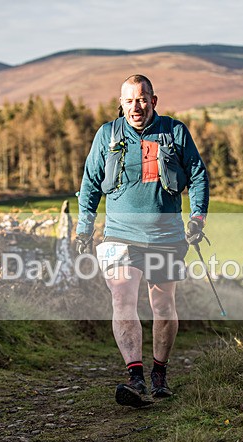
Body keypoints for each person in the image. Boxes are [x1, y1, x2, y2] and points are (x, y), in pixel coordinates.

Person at [75, 74, 210, 408]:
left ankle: (159, 374)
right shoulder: (107, 135)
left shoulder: (174, 131)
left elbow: (197, 175)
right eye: (129, 100)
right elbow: (90, 183)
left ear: (153, 100)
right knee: (122, 297)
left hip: (166, 235)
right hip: (120, 235)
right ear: (121, 103)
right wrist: (84, 228)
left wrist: (197, 218)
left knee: (162, 305)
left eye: (141, 99)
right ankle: (135, 377)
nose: (135, 106)